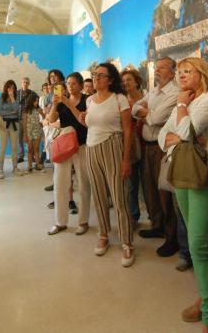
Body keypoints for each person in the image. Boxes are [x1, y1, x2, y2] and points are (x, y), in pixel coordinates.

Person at [158, 57, 208, 333]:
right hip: (183, 168)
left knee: (198, 244)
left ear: (202, 74)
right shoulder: (185, 101)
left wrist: (181, 109)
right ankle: (204, 297)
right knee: (197, 242)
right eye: (179, 72)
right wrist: (182, 131)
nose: (181, 75)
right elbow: (163, 137)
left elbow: (184, 131)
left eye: (188, 71)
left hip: (207, 171)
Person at [80, 62, 136, 266]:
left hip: (113, 146)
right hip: (91, 148)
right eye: (95, 74)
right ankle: (103, 234)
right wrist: (82, 119)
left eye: (101, 75)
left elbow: (128, 131)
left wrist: (126, 159)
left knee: (119, 197)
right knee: (98, 195)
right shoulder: (89, 100)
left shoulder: (119, 98)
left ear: (110, 80)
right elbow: (91, 125)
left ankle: (127, 242)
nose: (96, 78)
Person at [132, 56, 179, 257]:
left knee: (164, 192)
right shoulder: (153, 91)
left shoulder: (175, 93)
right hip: (148, 147)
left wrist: (147, 113)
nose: (157, 71)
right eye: (156, 67)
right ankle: (157, 225)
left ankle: (172, 237)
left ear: (173, 72)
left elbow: (156, 118)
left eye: (163, 68)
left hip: (163, 148)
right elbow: (135, 108)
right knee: (150, 188)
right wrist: (148, 112)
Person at [46, 72, 92, 236]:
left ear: (80, 85)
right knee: (59, 182)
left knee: (84, 184)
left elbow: (85, 121)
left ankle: (83, 221)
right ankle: (60, 222)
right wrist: (55, 104)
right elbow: (51, 120)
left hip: (81, 144)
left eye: (74, 83)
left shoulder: (87, 100)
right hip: (64, 145)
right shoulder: (61, 101)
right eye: (68, 83)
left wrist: (68, 103)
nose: (70, 86)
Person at [121, 68, 146, 226]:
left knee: (149, 185)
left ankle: (156, 218)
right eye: (123, 81)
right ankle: (133, 215)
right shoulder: (122, 101)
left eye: (129, 79)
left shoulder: (147, 98)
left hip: (148, 144)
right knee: (131, 184)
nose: (126, 83)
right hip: (131, 146)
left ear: (137, 81)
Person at [0, 79, 22, 178]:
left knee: (14, 147)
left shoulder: (16, 97)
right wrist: (11, 112)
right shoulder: (1, 98)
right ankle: (0, 169)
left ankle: (15, 167)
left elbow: (17, 110)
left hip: (14, 124)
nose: (11, 89)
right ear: (6, 88)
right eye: (9, 87)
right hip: (3, 124)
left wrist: (12, 98)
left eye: (13, 88)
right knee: (2, 147)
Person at [23, 93, 45, 172]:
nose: (37, 103)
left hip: (37, 130)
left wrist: (42, 123)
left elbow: (44, 116)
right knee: (30, 149)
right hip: (29, 131)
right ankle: (29, 166)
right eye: (35, 101)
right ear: (31, 101)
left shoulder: (38, 109)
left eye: (37, 101)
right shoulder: (26, 110)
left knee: (36, 148)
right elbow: (24, 123)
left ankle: (37, 164)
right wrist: (25, 134)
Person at [17, 77, 36, 164]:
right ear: (21, 83)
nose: (25, 84)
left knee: (30, 138)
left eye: (27, 82)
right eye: (24, 82)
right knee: (19, 138)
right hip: (19, 118)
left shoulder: (32, 93)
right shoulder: (17, 93)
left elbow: (36, 104)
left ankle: (32, 156)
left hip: (29, 119)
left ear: (29, 84)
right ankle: (21, 155)